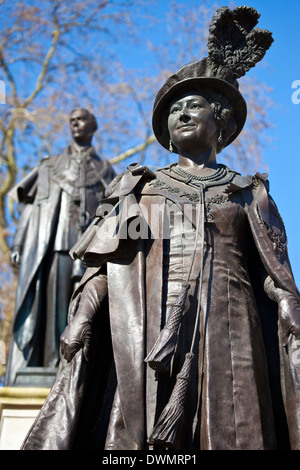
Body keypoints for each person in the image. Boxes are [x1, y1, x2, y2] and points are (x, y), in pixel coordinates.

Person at [21, 6, 300, 450]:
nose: (183, 114)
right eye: (175, 110)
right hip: (151, 323)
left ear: (221, 121)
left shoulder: (248, 192)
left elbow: (275, 271)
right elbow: (103, 266)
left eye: (195, 106)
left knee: (236, 429)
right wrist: (83, 318)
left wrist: (288, 302)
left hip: (231, 327)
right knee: (141, 434)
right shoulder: (140, 187)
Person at [5, 108, 116, 386]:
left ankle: (80, 367)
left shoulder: (105, 170)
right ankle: (54, 365)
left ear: (94, 125)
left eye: (81, 119)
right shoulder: (50, 165)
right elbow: (32, 208)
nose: (74, 123)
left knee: (85, 308)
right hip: (56, 246)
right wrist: (18, 242)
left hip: (92, 251)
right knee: (55, 308)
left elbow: (116, 212)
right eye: (71, 119)